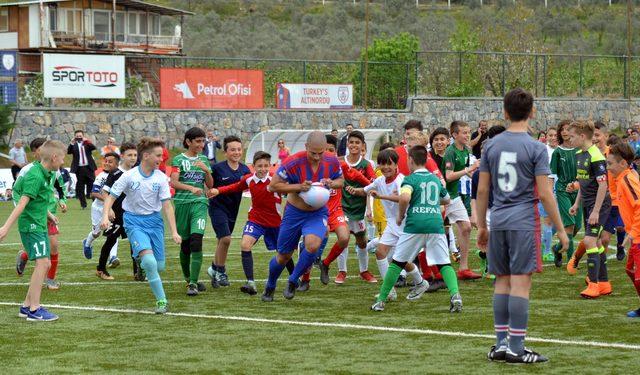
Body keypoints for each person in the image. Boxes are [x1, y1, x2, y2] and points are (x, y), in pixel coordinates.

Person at [478, 88, 568, 364]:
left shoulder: (490, 146)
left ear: (504, 112)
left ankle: (501, 344)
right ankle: (517, 348)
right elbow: (544, 193)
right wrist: (562, 229)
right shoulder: (536, 147)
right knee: (520, 284)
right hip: (523, 222)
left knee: (501, 282)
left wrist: (482, 225)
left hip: (500, 219)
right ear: (532, 112)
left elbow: (483, 191)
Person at [371, 145, 461, 312]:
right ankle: (455, 295)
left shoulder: (410, 179)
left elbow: (404, 197)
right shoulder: (434, 179)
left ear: (410, 160)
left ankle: (381, 300)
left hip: (415, 225)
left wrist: (400, 215)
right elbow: (447, 199)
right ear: (426, 160)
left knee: (397, 262)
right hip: (435, 224)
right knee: (444, 263)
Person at [101, 138, 181, 314]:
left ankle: (140, 260)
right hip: (133, 221)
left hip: (154, 222)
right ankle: (162, 301)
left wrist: (174, 231)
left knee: (159, 267)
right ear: (146, 156)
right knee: (151, 263)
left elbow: (167, 206)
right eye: (158, 155)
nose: (161, 159)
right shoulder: (129, 176)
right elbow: (111, 196)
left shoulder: (161, 178)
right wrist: (105, 216)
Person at [262, 131, 344, 302]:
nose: (316, 157)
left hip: (317, 212)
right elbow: (273, 186)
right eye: (313, 153)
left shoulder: (331, 160)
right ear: (306, 147)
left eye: (320, 153)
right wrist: (298, 187)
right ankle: (270, 285)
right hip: (294, 213)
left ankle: (293, 280)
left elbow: (341, 181)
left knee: (313, 245)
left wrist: (331, 183)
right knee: (284, 255)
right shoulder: (292, 162)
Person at [348, 148, 428, 303]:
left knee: (400, 260)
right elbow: (365, 191)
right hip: (392, 223)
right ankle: (390, 290)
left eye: (389, 164)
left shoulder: (402, 180)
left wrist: (381, 196)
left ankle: (420, 282)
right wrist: (353, 190)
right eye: (382, 164)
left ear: (396, 164)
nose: (385, 167)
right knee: (380, 253)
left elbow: (403, 199)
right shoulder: (379, 181)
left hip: (405, 223)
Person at [1, 140, 67, 322]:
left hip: (39, 222)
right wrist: (5, 227)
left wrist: (49, 215)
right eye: (62, 159)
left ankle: (25, 307)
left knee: (44, 263)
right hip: (31, 225)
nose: (63, 162)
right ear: (54, 157)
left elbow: (35, 199)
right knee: (43, 264)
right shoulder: (36, 176)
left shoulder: (45, 172)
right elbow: (22, 203)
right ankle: (34, 310)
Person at [209, 151, 284, 295]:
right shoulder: (249, 179)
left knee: (283, 253)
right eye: (259, 166)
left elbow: (292, 189)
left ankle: (294, 279)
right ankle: (251, 283)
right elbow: (235, 187)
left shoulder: (277, 180)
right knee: (245, 245)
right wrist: (218, 190)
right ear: (253, 167)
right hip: (255, 220)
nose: (263, 169)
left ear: (270, 166)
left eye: (266, 166)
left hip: (275, 223)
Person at [568, 120, 613, 299]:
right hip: (587, 203)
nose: (569, 139)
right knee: (597, 243)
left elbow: (603, 186)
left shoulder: (596, 156)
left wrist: (595, 211)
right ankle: (604, 283)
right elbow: (584, 183)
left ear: (582, 136)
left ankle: (593, 285)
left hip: (599, 205)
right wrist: (576, 204)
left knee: (589, 241)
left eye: (572, 136)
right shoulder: (579, 154)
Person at [171, 127, 214, 296]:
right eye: (198, 141)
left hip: (199, 204)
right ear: (188, 142)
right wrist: (190, 188)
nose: (201, 144)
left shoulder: (203, 159)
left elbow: (210, 185)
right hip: (182, 204)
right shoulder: (178, 160)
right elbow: (174, 183)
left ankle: (193, 284)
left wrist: (206, 170)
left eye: (203, 141)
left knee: (196, 241)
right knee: (186, 245)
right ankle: (188, 278)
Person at [207, 136, 251, 287]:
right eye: (232, 149)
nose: (236, 152)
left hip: (233, 210)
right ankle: (221, 271)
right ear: (225, 152)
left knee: (222, 241)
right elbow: (209, 185)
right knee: (226, 239)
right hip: (217, 208)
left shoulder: (245, 169)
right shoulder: (217, 168)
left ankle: (213, 269)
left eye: (239, 149)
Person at [337, 130, 377, 283]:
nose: (354, 145)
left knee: (361, 241)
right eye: (351, 142)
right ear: (347, 144)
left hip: (358, 209)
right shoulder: (340, 161)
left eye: (357, 143)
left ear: (362, 146)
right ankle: (342, 272)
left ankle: (364, 271)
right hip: (342, 207)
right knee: (343, 238)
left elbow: (373, 186)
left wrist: (362, 192)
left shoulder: (366, 165)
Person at [606, 142, 640, 317]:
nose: (608, 168)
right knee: (631, 271)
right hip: (635, 234)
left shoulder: (628, 179)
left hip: (638, 236)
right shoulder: (621, 180)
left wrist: (632, 234)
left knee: (638, 275)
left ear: (623, 164)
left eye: (610, 164)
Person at [444, 120, 481, 280]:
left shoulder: (465, 150)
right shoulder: (450, 151)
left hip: (454, 196)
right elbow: (449, 176)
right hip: (443, 197)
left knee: (466, 227)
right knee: (431, 233)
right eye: (464, 132)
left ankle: (463, 268)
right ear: (454, 135)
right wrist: (469, 169)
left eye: (468, 132)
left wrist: (477, 177)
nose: (467, 135)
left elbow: (465, 172)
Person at [96, 142, 138, 280]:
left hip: (132, 214)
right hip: (117, 215)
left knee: (135, 242)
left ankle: (137, 272)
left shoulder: (137, 172)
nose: (133, 158)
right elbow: (104, 192)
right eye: (129, 155)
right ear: (122, 156)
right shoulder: (115, 173)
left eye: (135, 155)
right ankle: (101, 269)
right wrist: (109, 210)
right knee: (111, 240)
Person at [550, 120, 582, 267]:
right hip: (563, 190)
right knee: (569, 224)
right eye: (562, 129)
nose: (564, 132)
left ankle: (557, 248)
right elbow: (552, 174)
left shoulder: (580, 150)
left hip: (578, 191)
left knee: (578, 226)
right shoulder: (557, 152)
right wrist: (551, 193)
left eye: (568, 129)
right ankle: (571, 261)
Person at [594, 122, 627, 261]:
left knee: (618, 229)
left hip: (615, 201)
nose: (594, 138)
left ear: (606, 136)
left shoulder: (613, 154)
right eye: (592, 135)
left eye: (597, 135)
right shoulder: (590, 154)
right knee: (601, 239)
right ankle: (601, 266)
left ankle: (620, 245)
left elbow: (625, 171)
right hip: (597, 202)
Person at [82, 152, 120, 260]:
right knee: (96, 233)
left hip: (112, 209)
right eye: (106, 161)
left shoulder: (120, 175)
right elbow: (93, 193)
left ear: (117, 164)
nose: (107, 163)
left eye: (110, 162)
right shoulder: (101, 176)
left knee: (113, 232)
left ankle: (113, 257)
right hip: (98, 208)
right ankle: (87, 243)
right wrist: (108, 201)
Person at [67, 130, 97, 209]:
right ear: (75, 137)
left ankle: (94, 202)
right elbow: (68, 152)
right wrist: (71, 143)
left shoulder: (87, 143)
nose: (79, 137)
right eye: (77, 136)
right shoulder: (74, 145)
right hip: (79, 168)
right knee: (80, 186)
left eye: (80, 136)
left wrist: (86, 141)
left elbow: (93, 148)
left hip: (89, 167)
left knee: (92, 184)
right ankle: (83, 204)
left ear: (83, 136)